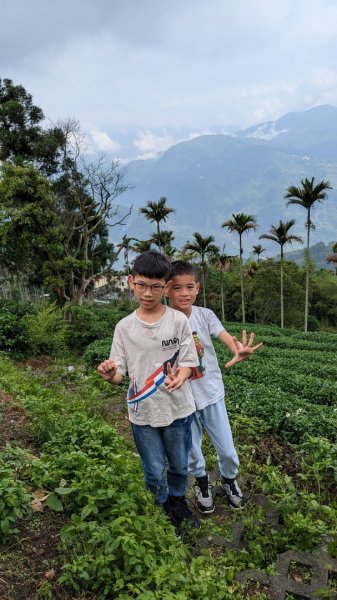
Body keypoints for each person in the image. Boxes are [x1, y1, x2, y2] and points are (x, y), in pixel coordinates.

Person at [98, 251, 200, 534]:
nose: (148, 293)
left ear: (165, 287)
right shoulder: (124, 328)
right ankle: (162, 505)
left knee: (179, 465)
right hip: (142, 414)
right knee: (154, 469)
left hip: (178, 409)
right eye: (142, 285)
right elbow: (119, 373)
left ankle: (178, 501)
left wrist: (180, 376)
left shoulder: (178, 322)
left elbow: (190, 362)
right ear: (131, 282)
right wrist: (109, 375)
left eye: (156, 287)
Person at [167, 260, 262, 513]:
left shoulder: (205, 315)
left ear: (197, 288)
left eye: (189, 287)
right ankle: (201, 482)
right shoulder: (164, 321)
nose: (184, 293)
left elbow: (223, 335)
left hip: (210, 393)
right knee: (192, 452)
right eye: (177, 288)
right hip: (183, 399)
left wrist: (237, 349)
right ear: (167, 289)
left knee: (228, 449)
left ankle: (229, 480)